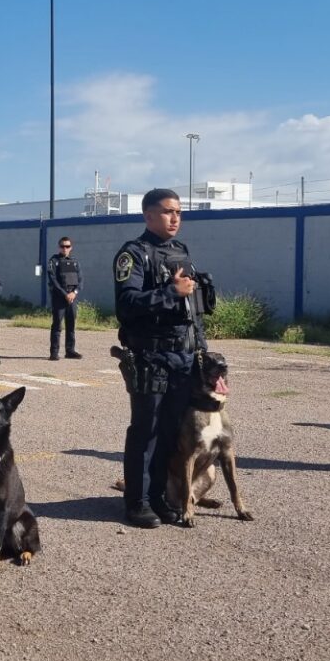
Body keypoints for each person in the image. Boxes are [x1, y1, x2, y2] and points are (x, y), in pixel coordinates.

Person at [113, 189, 210, 528]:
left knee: (171, 431)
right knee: (146, 430)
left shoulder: (181, 253)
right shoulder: (133, 254)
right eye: (168, 212)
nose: (175, 218)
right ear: (148, 215)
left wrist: (202, 350)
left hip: (182, 356)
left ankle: (158, 497)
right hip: (151, 356)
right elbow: (127, 304)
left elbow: (192, 310)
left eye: (179, 212)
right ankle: (136, 502)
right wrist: (171, 291)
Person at [47, 236, 83, 360]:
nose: (65, 248)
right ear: (59, 247)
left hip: (72, 297)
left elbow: (80, 280)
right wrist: (65, 294)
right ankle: (54, 352)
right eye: (62, 246)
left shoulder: (75, 261)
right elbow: (53, 280)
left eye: (67, 246)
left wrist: (74, 293)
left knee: (71, 325)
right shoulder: (54, 261)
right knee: (57, 325)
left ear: (71, 248)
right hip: (59, 298)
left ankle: (70, 350)